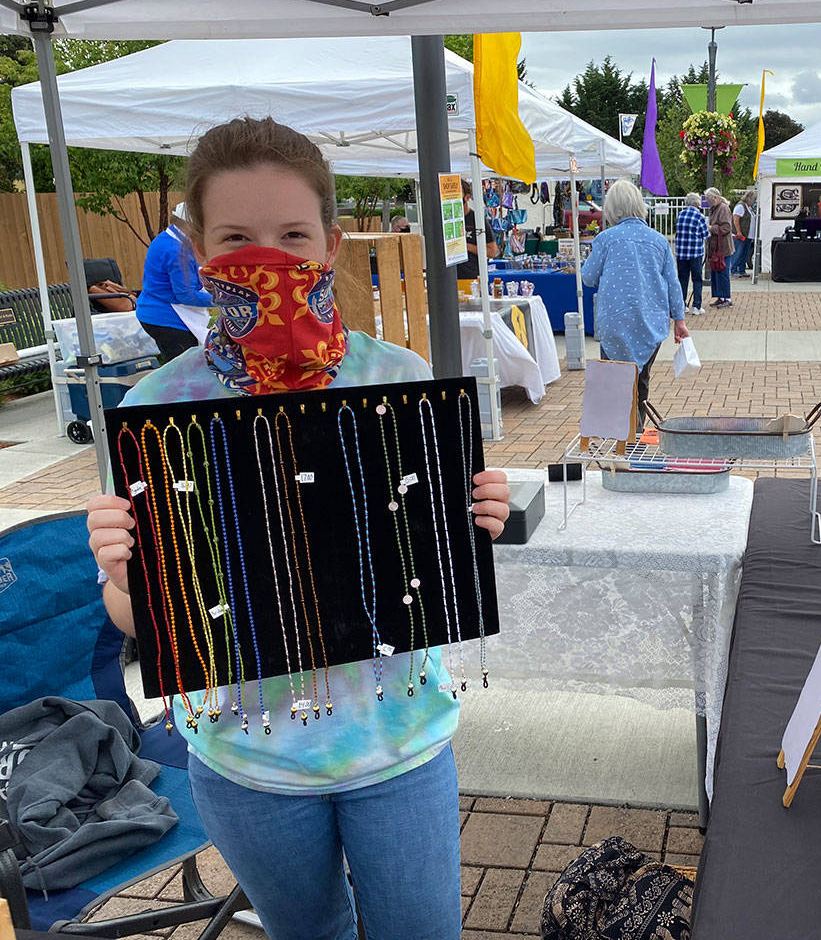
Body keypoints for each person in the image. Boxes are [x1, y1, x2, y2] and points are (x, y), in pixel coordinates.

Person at [85, 117, 510, 940]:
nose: (267, 258)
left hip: (399, 745)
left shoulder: (400, 380)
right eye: (238, 238)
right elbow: (135, 621)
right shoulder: (157, 412)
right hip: (246, 762)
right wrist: (133, 575)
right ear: (200, 251)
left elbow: (428, 563)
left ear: (331, 242)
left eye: (291, 235)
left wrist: (470, 529)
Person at [580, 179, 689, 411]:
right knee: (641, 380)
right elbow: (673, 284)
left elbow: (588, 277)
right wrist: (679, 320)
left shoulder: (606, 239)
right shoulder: (659, 241)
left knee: (616, 383)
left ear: (611, 208)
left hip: (614, 321)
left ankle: (623, 435)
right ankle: (636, 432)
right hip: (650, 322)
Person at [134, 202, 212, 362]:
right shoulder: (177, 251)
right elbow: (187, 295)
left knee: (180, 369)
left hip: (154, 313)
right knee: (185, 370)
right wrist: (222, 300)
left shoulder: (166, 238)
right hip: (168, 318)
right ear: (190, 225)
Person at [674, 192, 710, 316]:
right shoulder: (699, 216)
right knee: (697, 279)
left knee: (682, 279)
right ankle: (697, 306)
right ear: (697, 204)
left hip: (681, 253)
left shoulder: (680, 215)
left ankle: (682, 305)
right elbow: (705, 234)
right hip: (695, 253)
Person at [456, 179, 498, 282]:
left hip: (472, 277)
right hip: (447, 279)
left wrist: (465, 246)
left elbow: (492, 252)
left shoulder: (477, 220)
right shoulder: (443, 221)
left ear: (467, 197)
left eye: (457, 195)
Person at [705, 187, 734, 309]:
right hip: (715, 246)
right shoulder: (714, 208)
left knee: (722, 272)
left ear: (715, 198)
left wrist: (712, 228)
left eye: (709, 199)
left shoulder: (723, 208)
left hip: (722, 246)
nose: (707, 201)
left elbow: (727, 227)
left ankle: (726, 298)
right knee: (716, 271)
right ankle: (720, 297)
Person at [730, 190, 757, 277]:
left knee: (745, 254)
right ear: (749, 199)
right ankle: (733, 270)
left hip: (748, 235)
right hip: (740, 235)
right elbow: (736, 219)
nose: (754, 201)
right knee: (738, 252)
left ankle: (742, 270)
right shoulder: (740, 206)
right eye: (754, 199)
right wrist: (739, 231)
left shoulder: (749, 207)